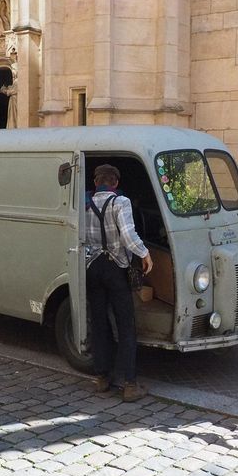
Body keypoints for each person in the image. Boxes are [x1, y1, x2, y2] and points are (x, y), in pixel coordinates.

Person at [86, 164, 153, 402]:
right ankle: (129, 384)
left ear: (96, 182)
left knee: (99, 322)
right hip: (115, 268)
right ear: (115, 183)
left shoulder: (85, 203)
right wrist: (144, 253)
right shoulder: (120, 203)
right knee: (126, 325)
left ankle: (102, 378)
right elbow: (128, 236)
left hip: (93, 267)